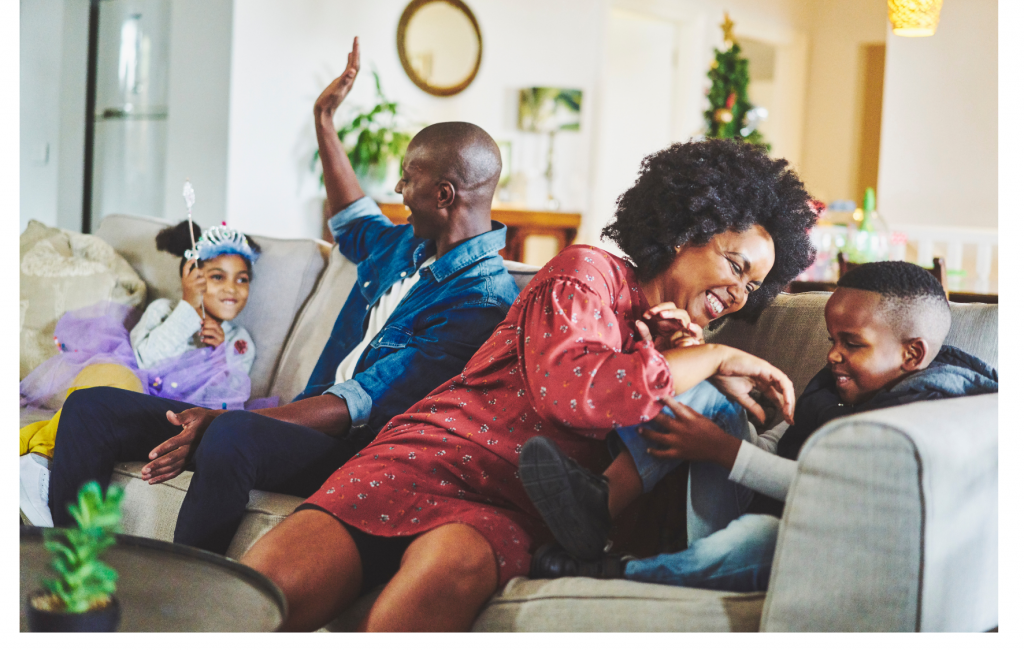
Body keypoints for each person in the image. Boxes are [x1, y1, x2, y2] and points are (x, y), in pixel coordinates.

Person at [237, 137, 820, 631]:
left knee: (435, 587)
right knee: (252, 605)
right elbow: (575, 393)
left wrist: (698, 359)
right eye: (735, 265)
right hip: (431, 453)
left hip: (507, 502)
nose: (741, 294)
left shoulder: (675, 345)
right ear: (685, 232)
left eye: (754, 286)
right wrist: (714, 357)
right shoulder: (585, 272)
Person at [43, 36, 520, 555]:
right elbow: (352, 219)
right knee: (91, 408)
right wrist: (323, 120)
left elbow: (356, 404)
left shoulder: (479, 298)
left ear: (443, 194)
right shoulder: (405, 246)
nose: (399, 191)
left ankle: (187, 597)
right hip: (298, 424)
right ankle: (72, 572)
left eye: (408, 180)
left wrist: (225, 419)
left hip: (354, 449)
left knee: (229, 437)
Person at [522, 261, 998, 592]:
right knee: (699, 394)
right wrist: (727, 408)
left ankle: (618, 571)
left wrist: (722, 451)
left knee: (760, 542)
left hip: (813, 542)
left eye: (851, 343)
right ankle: (596, 504)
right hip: (752, 503)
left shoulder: (930, 409)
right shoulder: (843, 380)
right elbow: (777, 443)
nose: (834, 354)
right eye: (833, 339)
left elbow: (841, 492)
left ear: (913, 353)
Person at [20, 220, 261, 527]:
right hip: (135, 394)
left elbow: (230, 402)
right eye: (217, 277)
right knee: (106, 383)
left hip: (172, 419)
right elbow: (144, 358)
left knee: (101, 410)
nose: (231, 288)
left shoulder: (239, 343)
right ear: (190, 277)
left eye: (242, 280)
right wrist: (187, 310)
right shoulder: (164, 311)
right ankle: (35, 459)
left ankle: (34, 461)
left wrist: (220, 354)